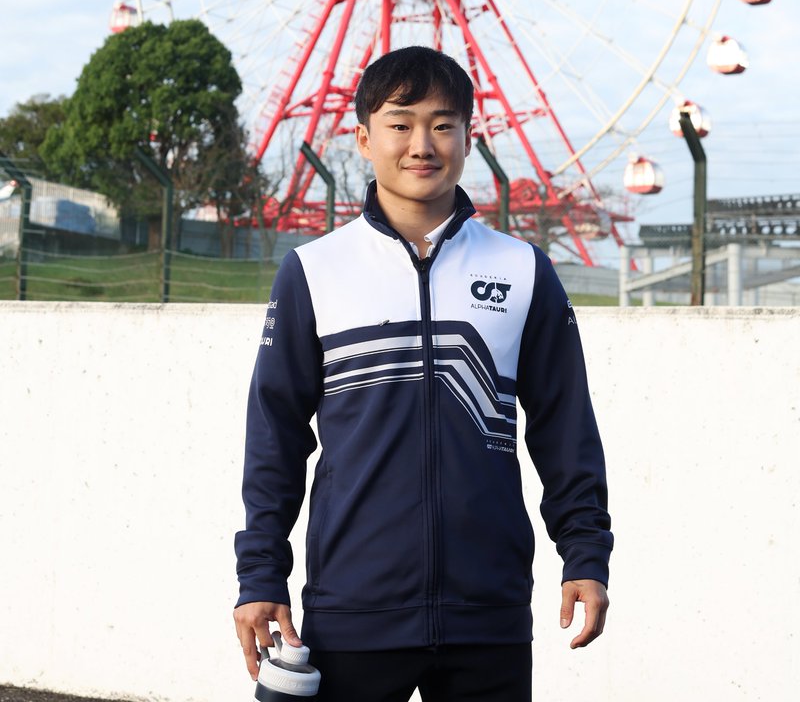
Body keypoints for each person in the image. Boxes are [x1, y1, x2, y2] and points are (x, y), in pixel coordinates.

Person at [234, 46, 612, 702]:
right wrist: (260, 574)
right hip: (353, 608)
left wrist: (585, 552)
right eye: (400, 124)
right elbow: (275, 436)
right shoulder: (314, 271)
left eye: (442, 125)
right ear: (363, 138)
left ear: (469, 137)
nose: (422, 144)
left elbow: (565, 426)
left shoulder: (524, 270)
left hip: (488, 613)